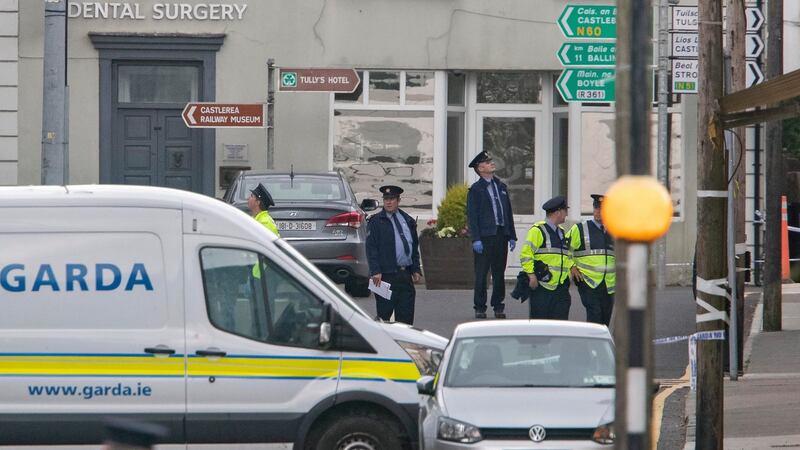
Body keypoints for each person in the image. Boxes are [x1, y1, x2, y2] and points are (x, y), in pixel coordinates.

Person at [466, 151, 517, 319]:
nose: (492, 163)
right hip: (485, 237)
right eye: (488, 162)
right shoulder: (476, 189)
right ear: (480, 168)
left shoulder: (500, 186)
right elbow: (472, 216)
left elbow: (507, 212)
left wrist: (511, 235)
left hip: (500, 235)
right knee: (481, 273)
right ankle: (480, 306)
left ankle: (498, 305)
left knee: (499, 273)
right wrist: (476, 239)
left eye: (491, 161)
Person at [365, 185, 422, 325]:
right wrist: (375, 270)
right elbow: (371, 248)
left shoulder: (407, 220)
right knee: (384, 316)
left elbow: (413, 246)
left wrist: (415, 269)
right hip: (386, 275)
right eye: (386, 199)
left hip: (405, 274)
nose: (389, 202)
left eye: (392, 199)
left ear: (398, 200)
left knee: (406, 318)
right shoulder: (376, 221)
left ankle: (405, 344)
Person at [519, 196, 573, 320]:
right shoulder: (538, 230)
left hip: (560, 288)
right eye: (565, 211)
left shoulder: (562, 232)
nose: (566, 215)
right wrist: (531, 275)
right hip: (543, 287)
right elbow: (526, 254)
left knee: (560, 327)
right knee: (541, 327)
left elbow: (565, 256)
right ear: (558, 212)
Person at [568, 194, 615, 326]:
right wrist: (572, 267)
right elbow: (565, 250)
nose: (598, 212)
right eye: (596, 208)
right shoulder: (580, 229)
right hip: (588, 282)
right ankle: (592, 345)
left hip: (608, 285)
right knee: (595, 315)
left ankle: (600, 345)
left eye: (602, 209)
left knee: (606, 319)